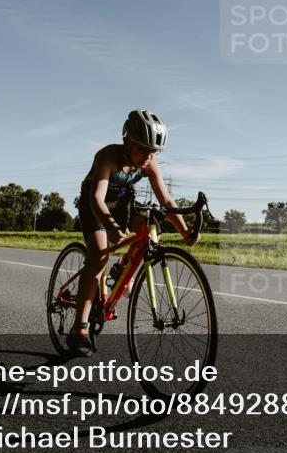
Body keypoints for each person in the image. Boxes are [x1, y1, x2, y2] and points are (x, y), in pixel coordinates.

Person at [68, 109, 197, 357]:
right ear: (127, 141)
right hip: (95, 203)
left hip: (122, 201)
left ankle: (122, 269)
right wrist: (113, 228)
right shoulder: (108, 156)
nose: (147, 157)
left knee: (150, 229)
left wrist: (183, 231)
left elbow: (166, 200)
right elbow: (96, 199)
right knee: (99, 257)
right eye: (142, 150)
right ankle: (79, 328)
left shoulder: (148, 163)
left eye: (153, 152)